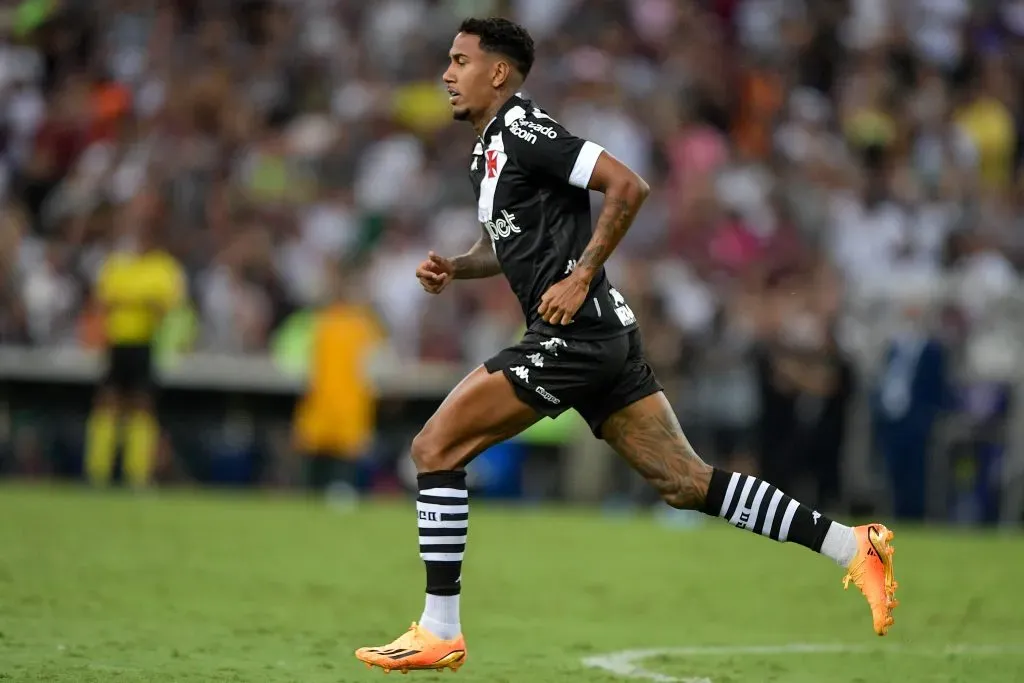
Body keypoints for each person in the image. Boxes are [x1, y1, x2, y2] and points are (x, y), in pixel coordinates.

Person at [355, 18, 898, 675]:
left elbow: (628, 184)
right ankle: (852, 544)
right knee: (687, 481)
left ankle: (439, 628)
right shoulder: (486, 153)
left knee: (434, 446)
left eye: (459, 60)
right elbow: (507, 247)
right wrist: (457, 267)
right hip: (603, 336)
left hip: (575, 335)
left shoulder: (527, 129)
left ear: (497, 72)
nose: (447, 73)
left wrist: (581, 273)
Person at [85, 189, 186, 489]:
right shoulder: (118, 264)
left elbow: (163, 307)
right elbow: (103, 301)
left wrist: (128, 300)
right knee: (108, 404)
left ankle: (136, 475)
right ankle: (98, 473)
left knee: (141, 406)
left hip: (144, 343)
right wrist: (141, 301)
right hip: (118, 342)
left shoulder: (163, 267)